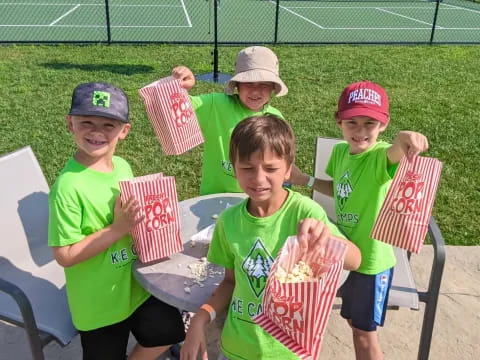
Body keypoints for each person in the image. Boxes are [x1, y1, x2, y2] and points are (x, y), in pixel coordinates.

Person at [180, 114, 361, 360]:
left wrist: (327, 237)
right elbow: (231, 282)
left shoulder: (304, 212)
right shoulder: (229, 221)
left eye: (271, 168)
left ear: (288, 169)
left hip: (290, 351)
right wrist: (200, 319)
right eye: (247, 168)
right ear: (233, 168)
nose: (258, 178)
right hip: (237, 348)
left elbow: (354, 260)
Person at [289, 80, 429, 360]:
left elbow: (397, 150)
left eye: (370, 124)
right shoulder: (340, 152)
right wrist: (305, 180)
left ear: (384, 125)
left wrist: (406, 138)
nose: (361, 132)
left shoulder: (380, 158)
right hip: (344, 254)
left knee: (365, 336)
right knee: (353, 323)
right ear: (338, 121)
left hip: (372, 264)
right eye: (352, 123)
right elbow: (339, 189)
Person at [48, 82, 185, 360]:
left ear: (124, 131)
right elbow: (65, 255)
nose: (97, 131)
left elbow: (133, 217)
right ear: (69, 124)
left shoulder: (122, 167)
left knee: (169, 332)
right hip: (99, 304)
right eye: (86, 121)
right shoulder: (68, 188)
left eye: (108, 125)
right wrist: (118, 228)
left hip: (136, 286)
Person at [171, 46, 288, 195]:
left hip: (255, 200)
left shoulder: (276, 119)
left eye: (263, 84)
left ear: (273, 87)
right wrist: (180, 87)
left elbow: (279, 165)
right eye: (248, 83)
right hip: (214, 198)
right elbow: (176, 107)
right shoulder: (215, 105)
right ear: (237, 85)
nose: (255, 91)